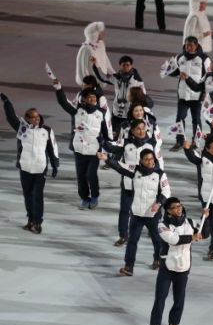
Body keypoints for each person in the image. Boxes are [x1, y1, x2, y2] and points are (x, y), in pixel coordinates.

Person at [98, 149, 170, 275]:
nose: (149, 161)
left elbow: (166, 192)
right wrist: (106, 159)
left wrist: (158, 204)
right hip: (137, 214)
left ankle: (157, 260)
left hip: (152, 214)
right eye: (146, 159)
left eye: (151, 159)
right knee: (132, 241)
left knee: (157, 240)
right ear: (141, 160)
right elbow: (119, 166)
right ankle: (129, 266)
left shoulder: (160, 174)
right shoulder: (135, 170)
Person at [147, 198, 209, 325]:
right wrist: (192, 237)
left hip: (184, 265)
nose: (179, 208)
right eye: (175, 207)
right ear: (168, 211)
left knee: (179, 297)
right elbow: (173, 240)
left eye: (180, 206)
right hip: (167, 266)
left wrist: (205, 218)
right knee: (160, 296)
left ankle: (173, 323)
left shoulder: (191, 223)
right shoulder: (162, 225)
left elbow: (205, 234)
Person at [100, 119, 164, 247]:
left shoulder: (151, 143)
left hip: (147, 184)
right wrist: (101, 140)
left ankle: (155, 231)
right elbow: (111, 147)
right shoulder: (125, 143)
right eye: (138, 129)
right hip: (129, 183)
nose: (141, 131)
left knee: (154, 208)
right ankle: (123, 235)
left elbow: (157, 162)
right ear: (132, 131)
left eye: (143, 128)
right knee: (125, 210)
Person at [2, 93, 59, 234]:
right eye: (33, 117)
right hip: (25, 168)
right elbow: (11, 117)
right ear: (27, 119)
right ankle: (30, 219)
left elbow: (53, 148)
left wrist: (55, 164)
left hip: (40, 168)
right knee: (28, 195)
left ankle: (38, 222)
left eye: (38, 116)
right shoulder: (22, 128)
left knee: (37, 196)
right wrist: (7, 103)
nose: (36, 119)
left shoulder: (46, 130)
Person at [54, 82, 111, 210]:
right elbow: (63, 103)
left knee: (91, 175)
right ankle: (85, 198)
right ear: (83, 99)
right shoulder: (76, 111)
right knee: (81, 176)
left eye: (94, 97)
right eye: (90, 97)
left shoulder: (101, 112)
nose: (93, 99)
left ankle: (95, 196)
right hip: (79, 150)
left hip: (94, 151)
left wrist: (106, 142)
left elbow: (106, 131)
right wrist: (59, 89)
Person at [183, 137, 213, 260]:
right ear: (207, 149)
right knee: (208, 220)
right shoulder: (203, 159)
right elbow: (193, 157)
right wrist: (188, 149)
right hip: (206, 196)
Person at [165, 37, 211, 151]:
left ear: (196, 45)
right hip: (182, 94)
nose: (188, 47)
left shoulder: (204, 59)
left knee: (196, 119)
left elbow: (208, 76)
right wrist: (169, 66)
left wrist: (205, 91)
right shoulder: (180, 57)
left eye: (190, 45)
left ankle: (196, 141)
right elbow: (174, 73)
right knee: (180, 118)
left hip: (196, 94)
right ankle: (179, 141)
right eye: (186, 45)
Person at [92, 55, 146, 135]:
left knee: (128, 135)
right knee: (113, 134)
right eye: (123, 65)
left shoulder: (137, 80)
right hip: (117, 112)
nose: (126, 67)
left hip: (130, 114)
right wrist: (96, 65)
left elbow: (142, 96)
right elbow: (102, 77)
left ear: (131, 65)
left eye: (128, 65)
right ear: (119, 66)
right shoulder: (116, 77)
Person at [76, 22, 115, 87]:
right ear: (95, 34)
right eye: (101, 32)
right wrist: (88, 84)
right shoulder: (86, 49)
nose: (103, 34)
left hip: (101, 79)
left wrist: (114, 74)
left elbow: (105, 60)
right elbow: (84, 68)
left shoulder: (101, 43)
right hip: (92, 83)